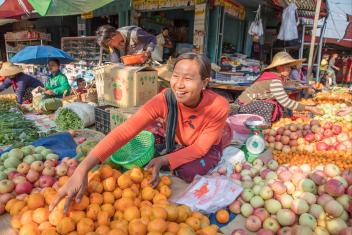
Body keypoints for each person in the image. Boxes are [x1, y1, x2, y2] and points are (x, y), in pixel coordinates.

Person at [49, 53, 230, 213]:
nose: (179, 85)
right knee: (144, 137)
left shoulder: (218, 106)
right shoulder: (165, 99)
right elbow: (125, 131)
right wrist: (83, 168)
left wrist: (164, 160)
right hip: (177, 139)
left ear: (204, 83)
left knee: (188, 171)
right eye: (175, 76)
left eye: (188, 79)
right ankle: (172, 151)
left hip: (204, 145)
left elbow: (199, 148)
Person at [231, 51, 323, 124]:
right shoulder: (274, 80)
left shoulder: (272, 76)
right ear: (279, 67)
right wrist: (310, 108)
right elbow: (286, 102)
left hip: (245, 106)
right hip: (241, 109)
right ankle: (259, 130)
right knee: (268, 106)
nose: (290, 69)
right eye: (288, 67)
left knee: (270, 105)